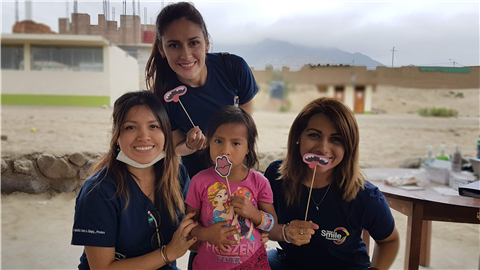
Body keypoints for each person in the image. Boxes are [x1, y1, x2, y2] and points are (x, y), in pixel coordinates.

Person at [264, 98, 400, 270]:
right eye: (314, 135)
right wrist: (285, 232)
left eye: (336, 139)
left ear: (348, 147)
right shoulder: (275, 175)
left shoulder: (365, 196)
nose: (323, 148)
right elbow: (262, 225)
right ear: (298, 136)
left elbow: (389, 240)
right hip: (289, 262)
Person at [71, 91, 197, 270]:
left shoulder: (177, 175)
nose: (144, 136)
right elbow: (102, 268)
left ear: (166, 133)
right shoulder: (98, 192)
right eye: (131, 127)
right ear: (117, 136)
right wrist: (168, 253)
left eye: (153, 126)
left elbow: (189, 236)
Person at [145, 1, 258, 180]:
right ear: (162, 49)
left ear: (206, 43)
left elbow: (246, 126)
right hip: (198, 176)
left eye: (194, 43)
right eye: (174, 45)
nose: (186, 55)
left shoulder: (234, 68)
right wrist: (190, 145)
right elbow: (175, 147)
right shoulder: (162, 94)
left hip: (237, 166)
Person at [185, 106, 275, 269]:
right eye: (218, 141)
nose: (225, 150)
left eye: (235, 143)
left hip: (251, 264)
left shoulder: (259, 182)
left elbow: (271, 224)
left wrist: (255, 214)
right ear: (209, 142)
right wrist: (206, 234)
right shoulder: (199, 181)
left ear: (248, 148)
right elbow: (189, 224)